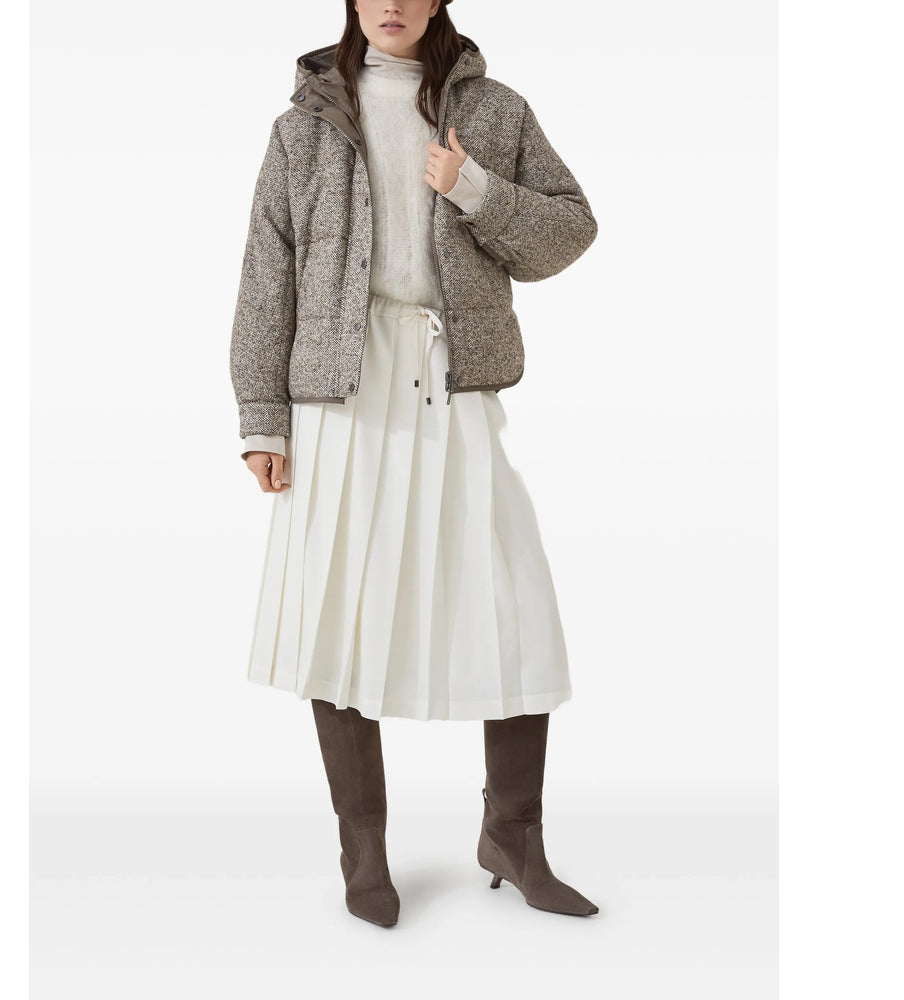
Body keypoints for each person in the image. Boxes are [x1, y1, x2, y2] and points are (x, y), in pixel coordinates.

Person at [229, 0, 599, 927]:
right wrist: (263, 420)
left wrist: (475, 187)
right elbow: (267, 273)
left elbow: (570, 230)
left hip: (451, 375)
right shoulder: (303, 127)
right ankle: (364, 852)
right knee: (337, 614)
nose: (390, 4)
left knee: (512, 603)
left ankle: (513, 836)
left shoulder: (498, 111)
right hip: (339, 393)